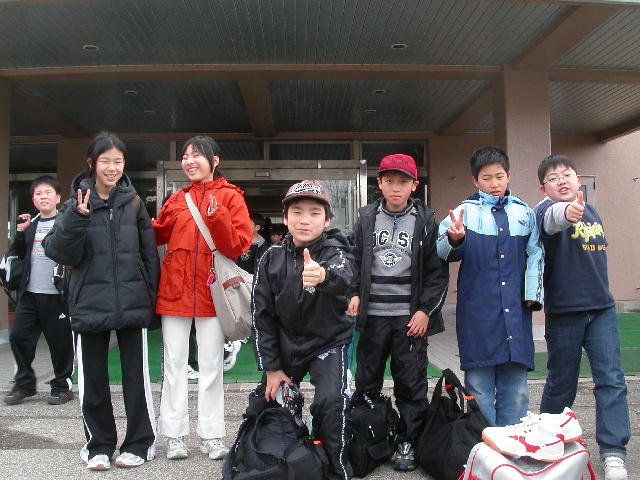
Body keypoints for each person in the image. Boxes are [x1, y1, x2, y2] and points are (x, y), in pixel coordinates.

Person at [42, 132, 160, 470]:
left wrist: (151, 300)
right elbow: (58, 252)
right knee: (92, 379)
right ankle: (99, 445)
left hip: (132, 301)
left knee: (136, 379)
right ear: (92, 163)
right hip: (89, 301)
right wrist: (77, 218)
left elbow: (148, 254)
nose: (112, 168)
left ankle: (139, 443)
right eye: (105, 161)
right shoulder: (74, 204)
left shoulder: (134, 202)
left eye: (118, 161)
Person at [152, 135, 252, 462]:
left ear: (215, 160)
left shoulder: (231, 196)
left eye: (197, 155)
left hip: (213, 295)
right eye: (185, 156)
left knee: (211, 366)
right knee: (174, 365)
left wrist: (217, 216)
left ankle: (212, 436)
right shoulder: (176, 199)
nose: (189, 161)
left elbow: (237, 246)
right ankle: (174, 435)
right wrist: (133, 213)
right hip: (174, 292)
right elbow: (156, 233)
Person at [348, 154, 449, 472]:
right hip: (373, 318)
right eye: (389, 180)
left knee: (411, 383)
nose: (396, 187)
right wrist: (353, 292)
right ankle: (369, 439)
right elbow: (353, 260)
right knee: (367, 381)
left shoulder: (426, 221)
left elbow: (437, 271)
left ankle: (408, 441)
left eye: (403, 182)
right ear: (378, 183)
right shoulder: (366, 218)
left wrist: (425, 311)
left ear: (414, 185)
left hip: (409, 321)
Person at [534, 154, 629, 480]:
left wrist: (576, 210)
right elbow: (554, 220)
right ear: (543, 188)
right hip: (565, 313)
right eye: (552, 178)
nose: (561, 181)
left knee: (612, 380)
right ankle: (547, 444)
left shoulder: (592, 211)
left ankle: (613, 453)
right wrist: (565, 212)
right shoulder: (543, 211)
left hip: (602, 308)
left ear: (578, 180)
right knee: (561, 384)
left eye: (566, 175)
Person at [253, 180, 354, 480]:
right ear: (285, 219)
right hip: (286, 345)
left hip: (328, 343)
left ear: (327, 220)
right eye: (297, 212)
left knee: (331, 402)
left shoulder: (336, 252)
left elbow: (344, 276)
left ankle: (335, 468)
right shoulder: (270, 257)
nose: (305, 220)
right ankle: (283, 461)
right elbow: (262, 316)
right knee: (264, 402)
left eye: (314, 212)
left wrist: (322, 276)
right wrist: (272, 368)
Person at [436, 146, 543, 427]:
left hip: (516, 312)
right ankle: (485, 443)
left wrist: (533, 295)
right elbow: (440, 252)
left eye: (499, 176)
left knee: (516, 388)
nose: (494, 183)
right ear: (475, 180)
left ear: (509, 176)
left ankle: (513, 441)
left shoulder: (524, 213)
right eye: (486, 178)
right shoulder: (463, 212)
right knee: (479, 387)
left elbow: (536, 254)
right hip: (477, 314)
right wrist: (455, 239)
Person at [3, 176, 74, 406]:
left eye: (48, 192)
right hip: (30, 295)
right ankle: (24, 384)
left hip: (57, 296)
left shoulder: (65, 223)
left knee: (60, 344)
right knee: (18, 336)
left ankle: (62, 386)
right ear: (33, 200)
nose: (43, 197)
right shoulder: (30, 225)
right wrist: (20, 232)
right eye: (39, 194)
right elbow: (17, 254)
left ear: (58, 198)